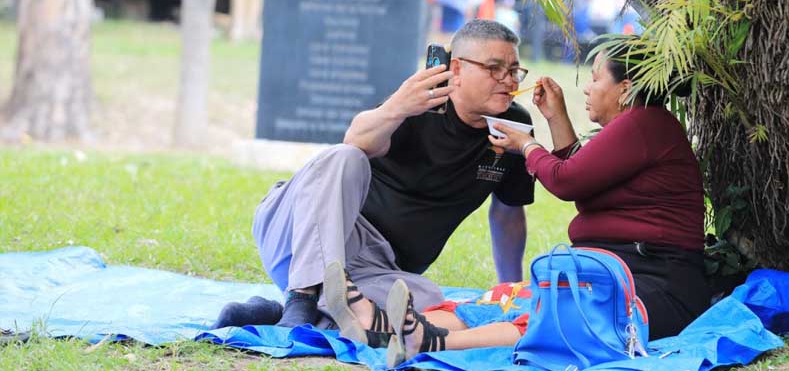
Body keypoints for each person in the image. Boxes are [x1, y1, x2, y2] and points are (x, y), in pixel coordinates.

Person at [360, 45, 712, 366]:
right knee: (510, 299)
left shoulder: (644, 123)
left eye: (594, 79)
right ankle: (384, 326)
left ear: (625, 89)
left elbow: (566, 180)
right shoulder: (640, 127)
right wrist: (556, 117)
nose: (587, 89)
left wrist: (526, 145)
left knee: (557, 315)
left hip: (655, 284)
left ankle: (429, 341)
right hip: (616, 273)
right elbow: (582, 177)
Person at [214, 20, 536, 346]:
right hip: (302, 233)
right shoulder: (418, 103)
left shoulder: (515, 126)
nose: (508, 80)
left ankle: (286, 314)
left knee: (427, 302)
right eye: (495, 68)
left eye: (514, 70)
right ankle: (301, 295)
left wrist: (509, 293)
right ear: (456, 69)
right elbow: (354, 141)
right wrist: (397, 108)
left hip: (373, 271)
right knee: (346, 157)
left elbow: (507, 214)